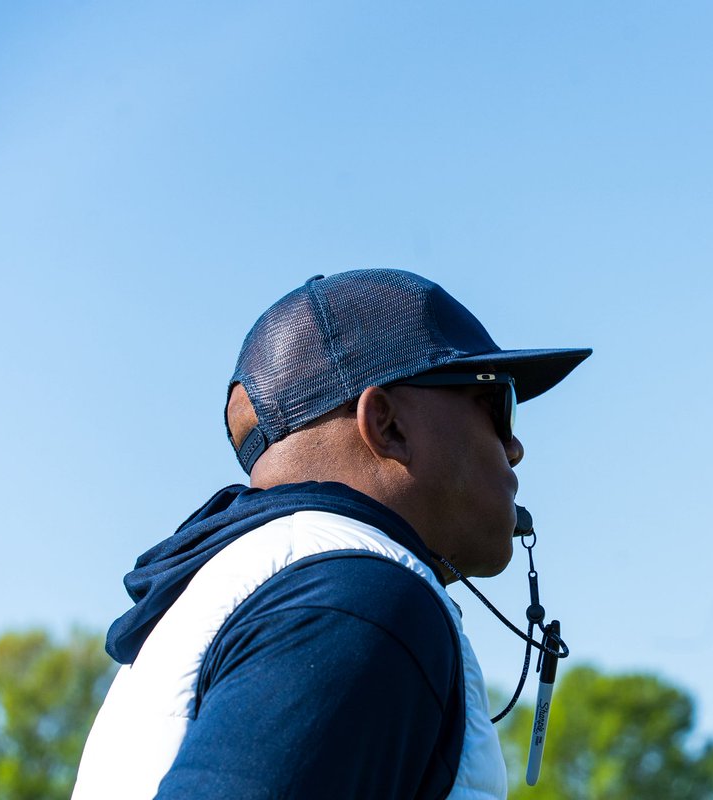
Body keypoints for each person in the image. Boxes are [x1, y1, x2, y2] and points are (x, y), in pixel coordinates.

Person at [72, 269, 591, 799]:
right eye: (496, 403)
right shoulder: (358, 599)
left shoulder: (268, 584)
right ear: (386, 425)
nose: (514, 447)